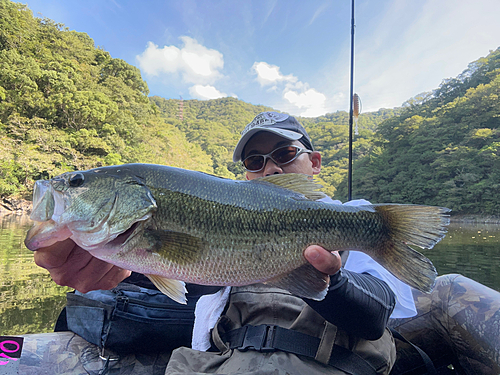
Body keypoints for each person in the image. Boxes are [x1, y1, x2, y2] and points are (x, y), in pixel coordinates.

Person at [32, 111, 500, 374]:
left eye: (284, 153)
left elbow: (380, 317)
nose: (270, 167)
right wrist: (109, 277)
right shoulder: (196, 217)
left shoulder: (350, 217)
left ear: (313, 162)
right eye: (255, 161)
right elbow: (188, 288)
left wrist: (331, 280)